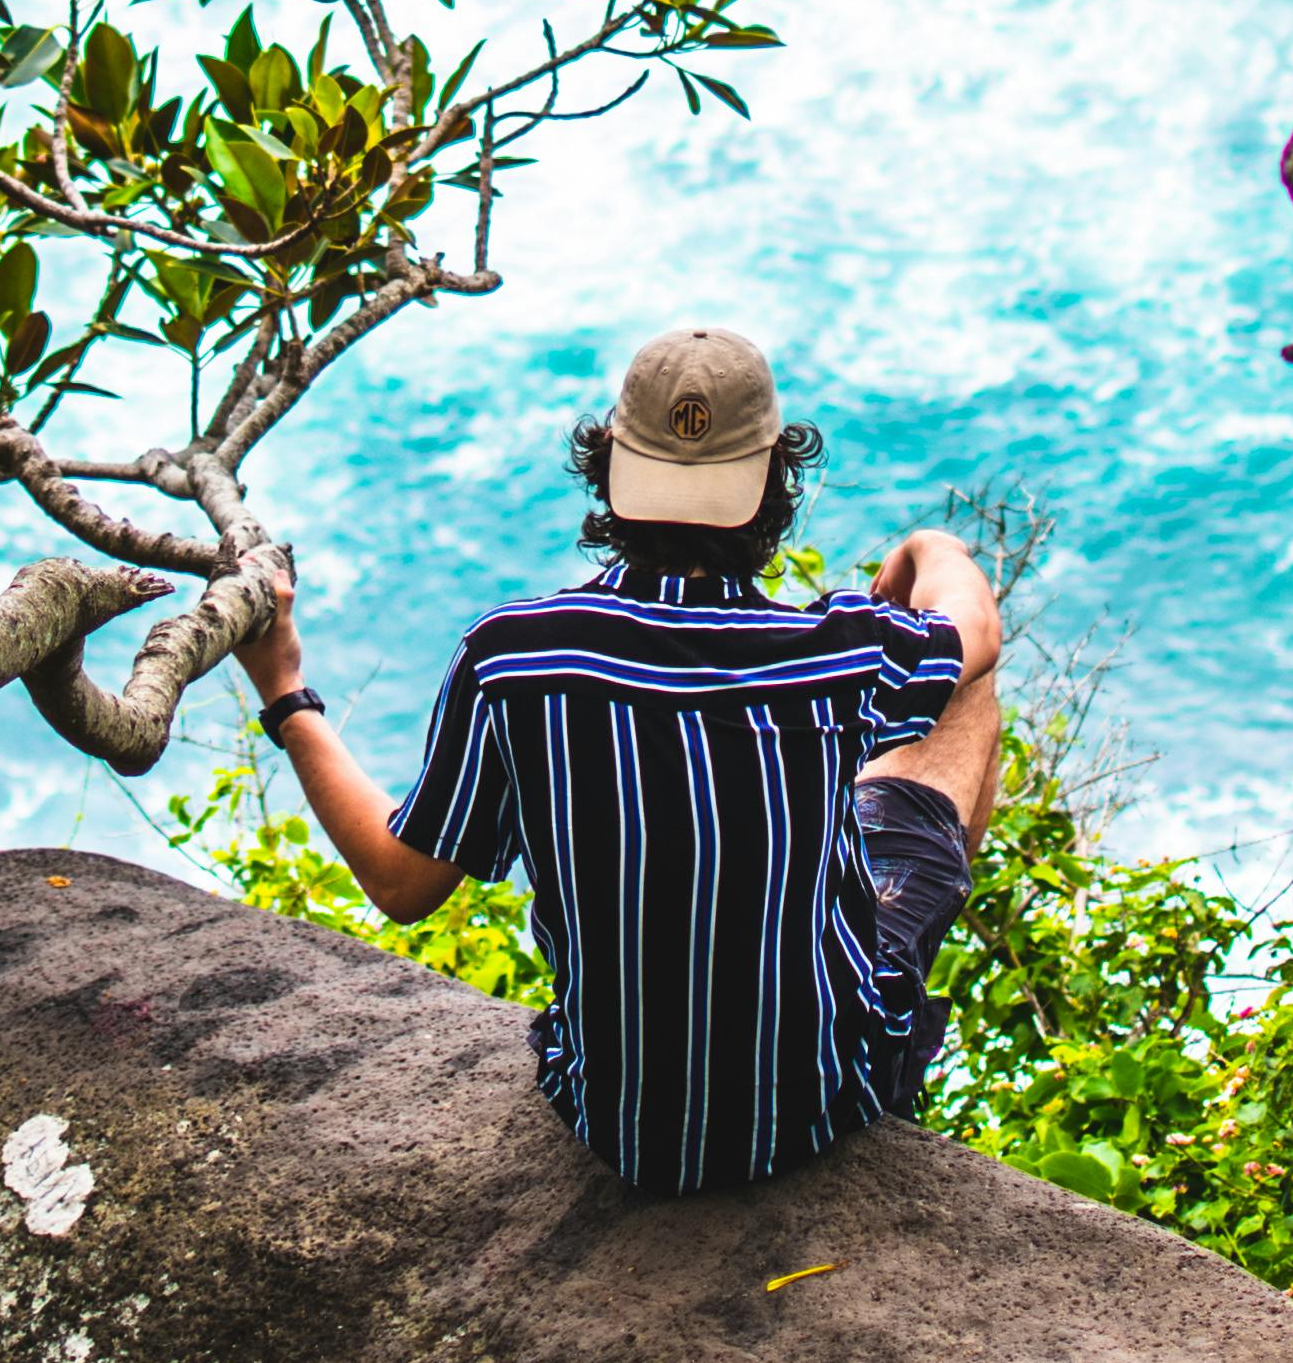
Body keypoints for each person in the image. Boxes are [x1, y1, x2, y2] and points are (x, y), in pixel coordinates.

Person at [229, 318, 1003, 1195]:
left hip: (614, 1123)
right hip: (822, 1106)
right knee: (964, 693)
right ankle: (870, 1002)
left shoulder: (513, 657)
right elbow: (976, 631)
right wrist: (931, 549)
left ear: (610, 471)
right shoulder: (829, 653)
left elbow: (402, 887)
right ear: (771, 486)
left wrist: (287, 690)